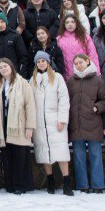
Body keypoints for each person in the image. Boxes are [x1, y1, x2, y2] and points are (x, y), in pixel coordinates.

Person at [30, 50, 72, 196]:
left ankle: (67, 181)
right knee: (43, 150)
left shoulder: (57, 77)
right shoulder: (33, 80)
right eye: (38, 61)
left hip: (55, 120)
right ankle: (50, 180)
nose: (41, 63)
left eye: (43, 61)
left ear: (48, 62)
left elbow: (64, 99)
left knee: (60, 151)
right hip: (40, 121)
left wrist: (62, 119)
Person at [67, 53, 105, 193]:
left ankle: (98, 185)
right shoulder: (71, 81)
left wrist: (96, 107)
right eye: (76, 63)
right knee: (79, 156)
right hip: (76, 124)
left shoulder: (97, 80)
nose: (79, 65)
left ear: (87, 62)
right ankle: (82, 185)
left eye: (81, 62)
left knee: (95, 155)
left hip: (93, 122)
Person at [0, 57, 36, 194]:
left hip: (19, 124)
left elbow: (30, 106)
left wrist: (30, 126)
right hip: (3, 123)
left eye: (5, 66)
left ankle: (20, 185)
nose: (3, 69)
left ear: (11, 67)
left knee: (20, 156)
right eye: (1, 67)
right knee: (7, 156)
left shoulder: (23, 83)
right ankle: (10, 184)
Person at [56, 14, 98, 82]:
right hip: (66, 75)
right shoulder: (59, 39)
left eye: (72, 22)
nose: (70, 24)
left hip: (84, 73)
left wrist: (96, 72)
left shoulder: (85, 37)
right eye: (67, 22)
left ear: (77, 23)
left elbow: (92, 55)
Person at [0, 14, 26, 80]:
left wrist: (21, 74)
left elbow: (23, 56)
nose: (0, 25)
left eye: (2, 22)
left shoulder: (15, 36)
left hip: (14, 74)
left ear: (6, 22)